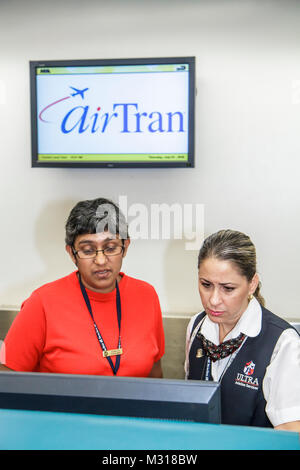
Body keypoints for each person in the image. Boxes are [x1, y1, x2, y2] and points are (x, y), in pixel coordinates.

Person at [0, 197, 164, 378]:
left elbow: (154, 374)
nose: (100, 260)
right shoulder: (41, 303)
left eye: (110, 248)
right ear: (72, 253)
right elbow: (6, 378)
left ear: (125, 247)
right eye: (88, 250)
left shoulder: (146, 296)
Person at [185, 229, 300, 431]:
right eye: (206, 284)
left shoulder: (282, 344)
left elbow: (290, 431)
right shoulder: (196, 326)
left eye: (227, 288)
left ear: (252, 284)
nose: (213, 300)